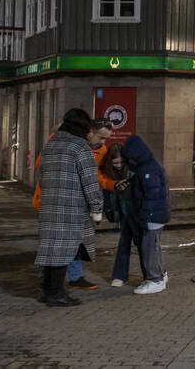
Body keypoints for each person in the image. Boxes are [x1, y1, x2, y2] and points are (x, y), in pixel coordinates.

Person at [33, 118, 115, 290]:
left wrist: (110, 186)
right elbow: (42, 166)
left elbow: (96, 176)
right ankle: (47, 281)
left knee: (78, 240)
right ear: (90, 132)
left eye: (106, 139)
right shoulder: (64, 146)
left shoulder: (100, 150)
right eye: (101, 137)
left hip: (79, 203)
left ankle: (74, 277)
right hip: (58, 202)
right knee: (54, 243)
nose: (103, 142)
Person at [121, 135, 170, 294]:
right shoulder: (146, 166)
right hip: (154, 214)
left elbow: (152, 194)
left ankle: (155, 279)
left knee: (150, 248)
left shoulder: (147, 169)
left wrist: (146, 216)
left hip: (152, 215)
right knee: (153, 246)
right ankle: (159, 276)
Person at [100, 144, 145, 287]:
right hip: (124, 214)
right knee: (124, 244)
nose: (118, 166)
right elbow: (107, 197)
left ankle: (150, 275)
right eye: (115, 163)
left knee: (142, 245)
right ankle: (120, 276)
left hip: (136, 213)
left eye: (120, 162)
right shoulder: (108, 174)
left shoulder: (133, 172)